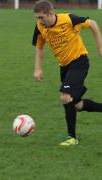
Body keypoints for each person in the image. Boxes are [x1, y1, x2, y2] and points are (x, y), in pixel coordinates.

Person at [32, 0, 102, 146]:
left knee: (65, 96)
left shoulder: (68, 19)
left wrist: (100, 47)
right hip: (64, 67)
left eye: (41, 17)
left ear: (50, 14)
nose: (39, 21)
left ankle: (72, 138)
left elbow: (93, 24)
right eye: (37, 18)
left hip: (79, 62)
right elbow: (39, 47)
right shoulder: (40, 27)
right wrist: (37, 68)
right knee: (76, 104)